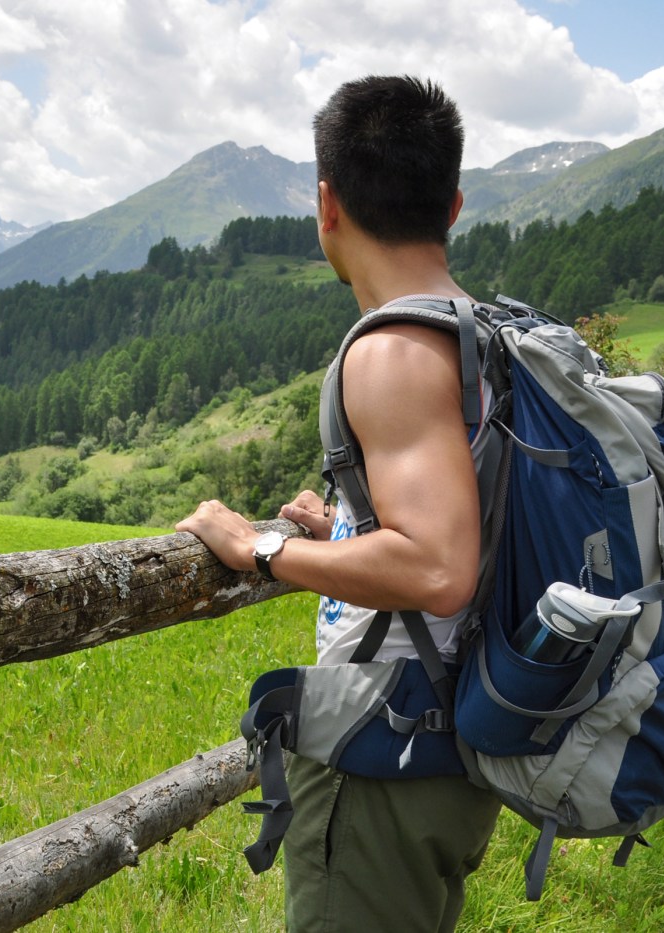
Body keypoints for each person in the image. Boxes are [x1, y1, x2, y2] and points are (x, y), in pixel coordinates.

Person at [175, 76, 501, 932]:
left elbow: (437, 564)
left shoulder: (392, 351)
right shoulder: (481, 333)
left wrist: (261, 549)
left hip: (385, 758)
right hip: (452, 750)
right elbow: (467, 515)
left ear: (327, 204)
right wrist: (347, 530)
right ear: (454, 204)